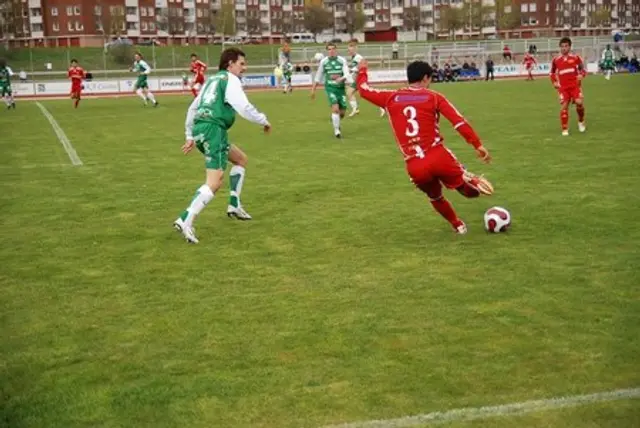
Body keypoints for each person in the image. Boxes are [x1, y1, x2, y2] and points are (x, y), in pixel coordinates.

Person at [356, 59, 493, 234]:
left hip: (414, 165)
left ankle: (458, 225)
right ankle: (468, 179)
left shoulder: (390, 97)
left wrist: (363, 71)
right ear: (426, 78)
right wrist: (477, 145)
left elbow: (364, 90)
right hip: (438, 155)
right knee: (470, 192)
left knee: (435, 196)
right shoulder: (434, 97)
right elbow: (458, 122)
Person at [174, 48, 271, 244]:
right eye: (241, 64)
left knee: (240, 159)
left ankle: (234, 204)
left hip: (202, 128)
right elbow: (243, 107)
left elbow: (193, 107)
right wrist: (263, 120)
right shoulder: (230, 80)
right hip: (213, 130)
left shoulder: (212, 80)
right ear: (230, 64)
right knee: (215, 181)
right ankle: (186, 220)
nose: (244, 68)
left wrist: (189, 135)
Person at [310, 43, 352, 139]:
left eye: (333, 49)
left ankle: (336, 121)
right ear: (327, 51)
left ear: (336, 50)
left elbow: (346, 73)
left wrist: (341, 78)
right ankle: (336, 131)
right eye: (329, 49)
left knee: (342, 113)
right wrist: (313, 90)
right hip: (330, 89)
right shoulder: (324, 62)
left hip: (341, 89)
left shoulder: (342, 60)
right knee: (335, 109)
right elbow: (318, 76)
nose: (331, 51)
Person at [550, 37, 586, 136]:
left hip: (574, 86)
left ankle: (581, 121)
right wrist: (554, 82)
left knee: (579, 103)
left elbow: (583, 70)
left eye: (566, 46)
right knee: (564, 106)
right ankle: (564, 129)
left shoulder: (575, 58)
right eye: (562, 46)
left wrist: (581, 75)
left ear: (570, 47)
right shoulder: (556, 60)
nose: (564, 48)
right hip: (563, 88)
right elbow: (552, 73)